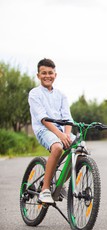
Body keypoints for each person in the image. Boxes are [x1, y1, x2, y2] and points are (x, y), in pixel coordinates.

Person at [28, 58, 75, 204]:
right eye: (43, 73)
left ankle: (60, 183)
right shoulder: (35, 94)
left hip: (62, 130)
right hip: (44, 130)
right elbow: (43, 119)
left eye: (50, 73)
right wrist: (60, 135)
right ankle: (45, 190)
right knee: (57, 147)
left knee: (80, 149)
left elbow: (68, 118)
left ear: (55, 74)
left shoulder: (61, 95)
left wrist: (66, 134)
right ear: (38, 75)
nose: (47, 76)